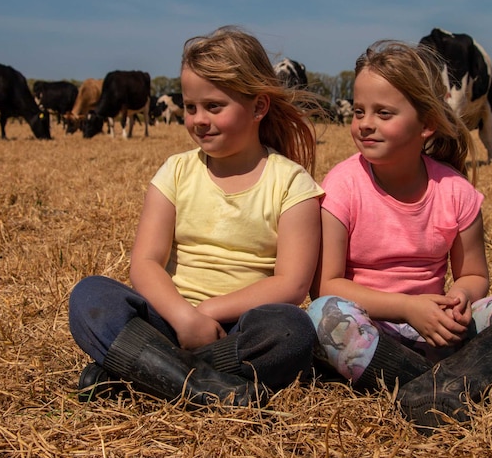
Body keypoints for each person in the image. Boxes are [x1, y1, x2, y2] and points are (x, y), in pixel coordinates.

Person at [307, 40, 492, 434]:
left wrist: (460, 300)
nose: (365, 123)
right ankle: (451, 382)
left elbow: (474, 274)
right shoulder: (343, 185)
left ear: (426, 124)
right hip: (373, 327)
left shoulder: (455, 190)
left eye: (383, 113)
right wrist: (408, 309)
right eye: (358, 111)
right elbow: (326, 285)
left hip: (439, 325)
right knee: (323, 316)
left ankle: (431, 382)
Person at [69, 26, 325, 407]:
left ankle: (140, 371)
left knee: (292, 331)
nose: (199, 119)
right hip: (167, 316)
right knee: (90, 295)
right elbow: (145, 262)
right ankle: (209, 385)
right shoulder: (175, 172)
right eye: (191, 107)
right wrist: (184, 318)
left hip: (238, 326)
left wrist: (207, 314)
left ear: (259, 106)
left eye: (214, 106)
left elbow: (291, 285)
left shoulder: (291, 183)